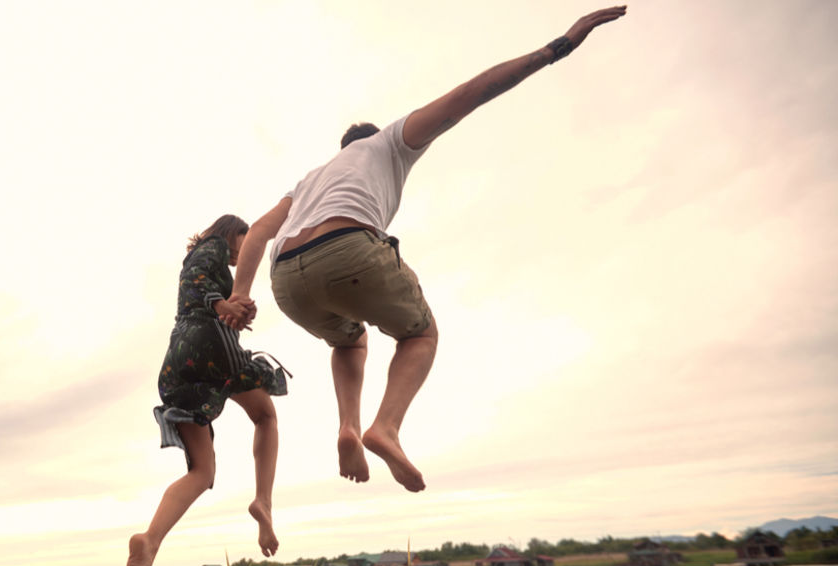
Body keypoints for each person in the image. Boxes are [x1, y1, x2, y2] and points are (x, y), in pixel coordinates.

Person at [226, 7, 628, 493]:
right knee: (421, 335)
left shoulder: (309, 179)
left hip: (286, 279)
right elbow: (469, 95)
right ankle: (385, 427)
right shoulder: (389, 143)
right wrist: (556, 47)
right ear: (374, 137)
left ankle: (347, 427)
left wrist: (238, 295)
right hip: (347, 248)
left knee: (349, 339)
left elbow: (257, 233)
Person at [123, 214, 289, 566]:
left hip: (178, 361)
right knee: (265, 417)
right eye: (241, 243)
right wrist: (222, 303)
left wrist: (237, 309)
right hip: (206, 345)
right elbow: (199, 283)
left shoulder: (213, 264)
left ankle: (149, 541)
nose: (239, 253)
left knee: (202, 473)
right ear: (232, 232)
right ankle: (263, 501)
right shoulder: (210, 248)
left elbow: (211, 296)